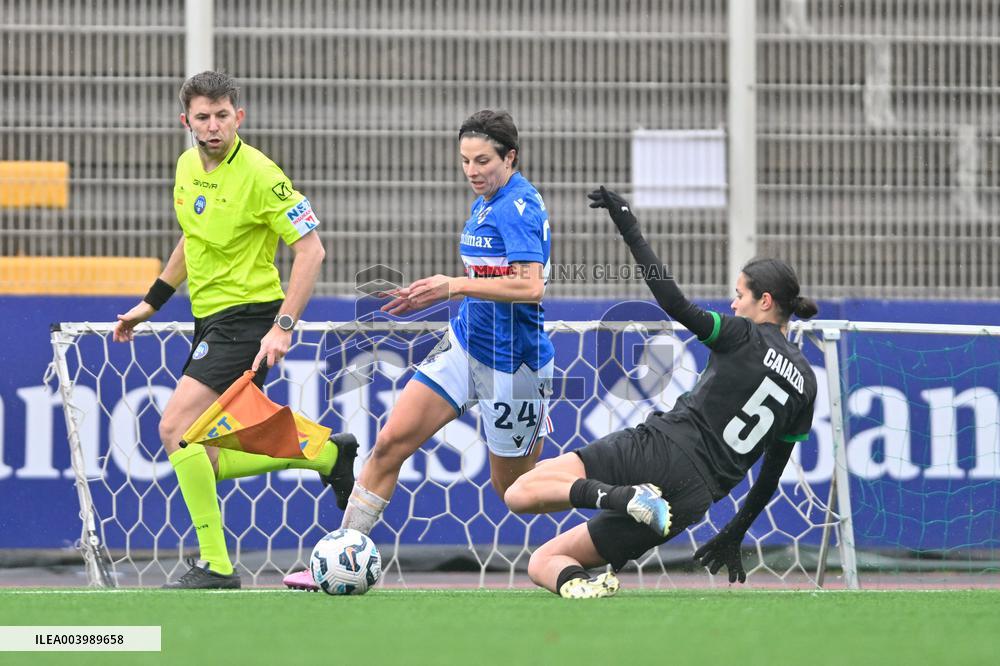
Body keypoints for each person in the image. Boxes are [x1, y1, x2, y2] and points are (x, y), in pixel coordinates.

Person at [283, 109, 553, 590]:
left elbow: (530, 288)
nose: (472, 171)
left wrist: (452, 285)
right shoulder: (486, 203)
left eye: (483, 160)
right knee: (389, 443)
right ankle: (338, 556)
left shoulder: (519, 208)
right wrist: (440, 293)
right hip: (466, 348)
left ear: (511, 157)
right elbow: (485, 280)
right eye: (465, 160)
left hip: (515, 366)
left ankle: (609, 494)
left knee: (515, 492)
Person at [503, 187, 818, 598]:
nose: (733, 303)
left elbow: (676, 304)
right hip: (691, 499)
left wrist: (630, 229)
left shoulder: (744, 334)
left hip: (663, 448)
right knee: (545, 562)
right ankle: (578, 587)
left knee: (518, 492)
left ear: (765, 301)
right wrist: (734, 531)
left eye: (739, 295)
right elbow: (769, 476)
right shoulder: (806, 383)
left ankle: (621, 496)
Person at [113, 71, 357, 589]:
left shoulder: (262, 174)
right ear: (187, 122)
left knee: (174, 429)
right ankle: (327, 452)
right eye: (202, 117)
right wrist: (149, 304)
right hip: (210, 321)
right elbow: (189, 240)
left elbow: (311, 249)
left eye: (222, 115)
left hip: (250, 319)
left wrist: (283, 328)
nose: (213, 125)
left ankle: (217, 565)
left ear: (238, 117)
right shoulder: (185, 166)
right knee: (205, 452)